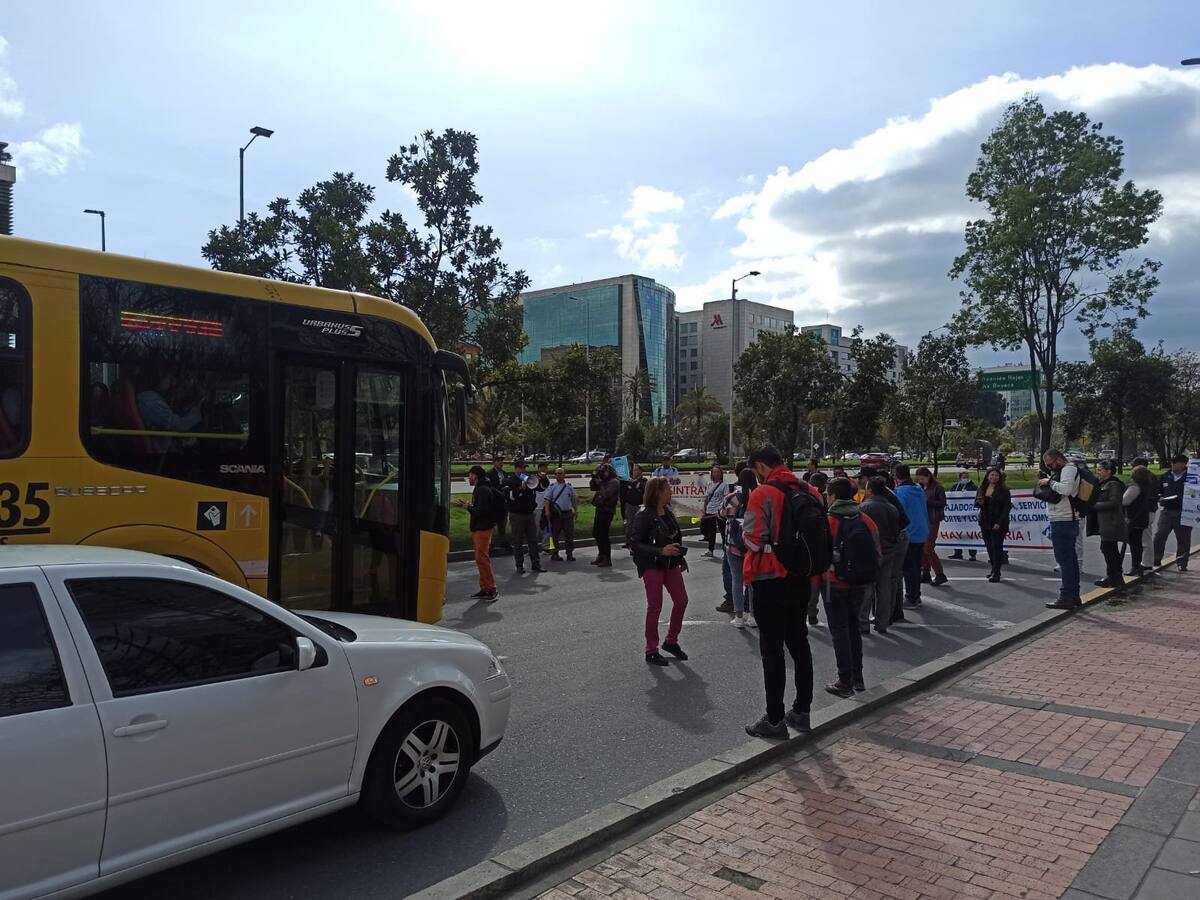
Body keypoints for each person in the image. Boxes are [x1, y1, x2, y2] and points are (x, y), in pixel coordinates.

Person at [742, 445, 819, 739]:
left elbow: (751, 539)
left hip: (769, 578)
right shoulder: (809, 490)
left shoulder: (763, 494)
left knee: (772, 649)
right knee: (799, 643)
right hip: (801, 577)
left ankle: (774, 719)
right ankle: (802, 711)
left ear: (761, 466)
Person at [823, 477, 880, 696]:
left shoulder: (829, 521)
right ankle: (858, 677)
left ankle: (844, 679)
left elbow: (821, 556)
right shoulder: (865, 519)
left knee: (839, 630)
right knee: (854, 627)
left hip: (834, 583)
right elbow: (877, 552)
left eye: (828, 495)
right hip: (861, 582)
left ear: (833, 496)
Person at [630, 476, 690, 666]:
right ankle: (651, 650)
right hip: (652, 565)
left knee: (681, 601)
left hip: (671, 564)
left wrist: (680, 557)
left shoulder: (668, 511)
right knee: (655, 607)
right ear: (656, 493)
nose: (670, 492)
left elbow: (674, 537)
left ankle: (671, 641)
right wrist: (660, 551)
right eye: (667, 490)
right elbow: (634, 543)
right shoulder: (643, 515)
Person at [1040, 449, 1082, 610]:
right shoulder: (1066, 469)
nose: (1050, 467)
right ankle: (1073, 594)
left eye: (1050, 464)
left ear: (1058, 459)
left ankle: (1066, 596)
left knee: (1064, 560)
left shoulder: (1068, 469)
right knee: (1069, 560)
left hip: (1063, 519)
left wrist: (1048, 482)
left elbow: (1066, 490)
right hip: (1064, 519)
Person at [860, 476, 900, 634]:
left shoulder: (864, 508)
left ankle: (863, 622)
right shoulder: (892, 508)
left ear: (870, 490)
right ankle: (882, 622)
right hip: (889, 550)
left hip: (871, 552)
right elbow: (896, 530)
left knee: (867, 588)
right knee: (885, 588)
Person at [721, 467, 759, 628]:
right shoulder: (758, 496)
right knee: (752, 583)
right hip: (752, 545)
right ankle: (752, 615)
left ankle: (738, 617)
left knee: (737, 579)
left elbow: (721, 514)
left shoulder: (732, 497)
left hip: (733, 545)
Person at [136, 373, 203, 452]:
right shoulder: (151, 401)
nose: (174, 386)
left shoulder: (151, 398)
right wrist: (196, 414)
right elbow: (177, 425)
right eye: (170, 380)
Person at [894, 465, 929, 608]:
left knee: (908, 567)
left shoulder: (902, 492)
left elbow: (898, 512)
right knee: (915, 565)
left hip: (909, 532)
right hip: (921, 530)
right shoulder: (918, 488)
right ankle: (916, 594)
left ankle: (911, 597)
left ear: (896, 475)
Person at [1091, 459, 1127, 589]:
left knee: (1109, 550)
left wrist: (1093, 506)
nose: (1097, 472)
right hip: (1104, 522)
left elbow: (1114, 502)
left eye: (1100, 470)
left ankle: (1114, 577)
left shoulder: (1113, 484)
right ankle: (1115, 577)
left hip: (1111, 522)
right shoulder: (1102, 484)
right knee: (1108, 549)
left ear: (1109, 471)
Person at [1153, 454, 1192, 572]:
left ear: (1183, 464)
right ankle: (1156, 558)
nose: (1173, 465)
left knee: (1183, 538)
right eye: (1172, 463)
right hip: (1166, 511)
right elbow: (1158, 491)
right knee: (1160, 535)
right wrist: (1159, 497)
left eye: (1175, 463)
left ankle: (1182, 562)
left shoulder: (1192, 477)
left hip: (1184, 511)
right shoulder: (1166, 476)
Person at [466, 466, 498, 601]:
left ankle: (491, 588)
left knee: (483, 559)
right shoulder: (481, 489)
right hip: (479, 528)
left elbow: (481, 511)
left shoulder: (482, 490)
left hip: (483, 529)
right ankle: (485, 587)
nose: (469, 478)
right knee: (480, 559)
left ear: (476, 476)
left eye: (470, 475)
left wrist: (469, 507)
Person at [506, 461, 544, 575]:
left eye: (525, 468)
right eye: (521, 468)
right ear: (515, 469)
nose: (523, 470)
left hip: (529, 513)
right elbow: (509, 496)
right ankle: (519, 565)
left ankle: (536, 564)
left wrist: (542, 479)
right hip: (517, 514)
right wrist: (520, 489)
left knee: (533, 540)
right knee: (518, 541)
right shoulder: (510, 480)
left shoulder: (527, 478)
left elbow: (541, 488)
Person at [975, 467, 1012, 583]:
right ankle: (993, 568)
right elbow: (976, 503)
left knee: (997, 547)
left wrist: (999, 523)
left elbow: (1006, 508)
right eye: (992, 475)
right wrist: (980, 502)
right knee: (989, 546)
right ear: (987, 476)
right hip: (985, 521)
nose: (994, 477)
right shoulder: (982, 488)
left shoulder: (1004, 490)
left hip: (998, 522)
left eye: (996, 475)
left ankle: (997, 571)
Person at [915, 467, 948, 586]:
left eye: (922, 478)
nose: (920, 481)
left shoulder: (937, 487)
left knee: (928, 547)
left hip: (933, 519)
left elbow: (942, 503)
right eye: (918, 479)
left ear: (928, 476)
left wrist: (926, 501)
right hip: (922, 519)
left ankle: (940, 574)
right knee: (923, 547)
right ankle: (926, 572)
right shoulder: (919, 487)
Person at [807, 471, 830, 626]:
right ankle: (827, 616)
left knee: (813, 587)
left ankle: (811, 614)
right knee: (826, 589)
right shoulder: (825, 498)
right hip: (825, 550)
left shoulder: (805, 496)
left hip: (811, 550)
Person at [1123, 464, 1154, 576]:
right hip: (1142, 517)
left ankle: (1135, 567)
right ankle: (1138, 565)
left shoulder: (1135, 487)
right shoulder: (1146, 485)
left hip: (1133, 518)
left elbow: (1124, 501)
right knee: (1138, 543)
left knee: (1134, 544)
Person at [543, 467, 578, 562]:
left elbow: (574, 499)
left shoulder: (569, 487)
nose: (558, 475)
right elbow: (547, 500)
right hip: (556, 515)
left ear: (564, 475)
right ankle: (554, 554)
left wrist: (575, 510)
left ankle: (569, 554)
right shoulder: (552, 487)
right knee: (554, 535)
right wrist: (547, 511)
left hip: (567, 514)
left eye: (560, 473)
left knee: (569, 535)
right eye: (556, 473)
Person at [590, 464, 620, 567]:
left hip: (608, 510)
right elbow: (592, 488)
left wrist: (601, 483)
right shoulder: (604, 481)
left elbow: (606, 494)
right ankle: (601, 555)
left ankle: (607, 558)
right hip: (600, 509)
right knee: (597, 533)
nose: (603, 474)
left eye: (604, 472)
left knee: (603, 534)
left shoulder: (614, 482)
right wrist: (594, 479)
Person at [948, 470, 979, 561]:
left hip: (969, 516)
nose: (965, 479)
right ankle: (958, 552)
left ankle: (972, 554)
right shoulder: (955, 487)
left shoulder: (973, 487)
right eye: (963, 477)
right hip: (958, 515)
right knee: (957, 534)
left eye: (966, 477)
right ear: (960, 478)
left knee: (971, 534)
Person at [700, 465, 729, 557]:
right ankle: (710, 550)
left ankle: (726, 550)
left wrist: (721, 510)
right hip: (710, 510)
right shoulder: (709, 484)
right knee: (710, 531)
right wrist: (705, 508)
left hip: (719, 511)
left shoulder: (725, 485)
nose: (716, 474)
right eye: (715, 472)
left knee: (722, 530)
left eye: (718, 472)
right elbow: (707, 497)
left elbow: (725, 498)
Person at [484, 456, 511, 552]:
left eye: (502, 461)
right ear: (494, 462)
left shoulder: (505, 474)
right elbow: (489, 487)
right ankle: (490, 543)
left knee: (502, 523)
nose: (501, 463)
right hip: (494, 502)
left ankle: (503, 541)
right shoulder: (489, 474)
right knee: (492, 524)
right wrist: (499, 491)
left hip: (503, 503)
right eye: (498, 461)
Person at [620, 463, 648, 548]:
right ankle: (628, 542)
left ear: (640, 471)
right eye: (633, 470)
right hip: (629, 505)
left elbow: (643, 490)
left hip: (639, 506)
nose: (634, 471)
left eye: (636, 470)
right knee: (629, 524)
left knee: (638, 526)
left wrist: (634, 484)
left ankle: (637, 543)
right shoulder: (629, 480)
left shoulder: (643, 481)